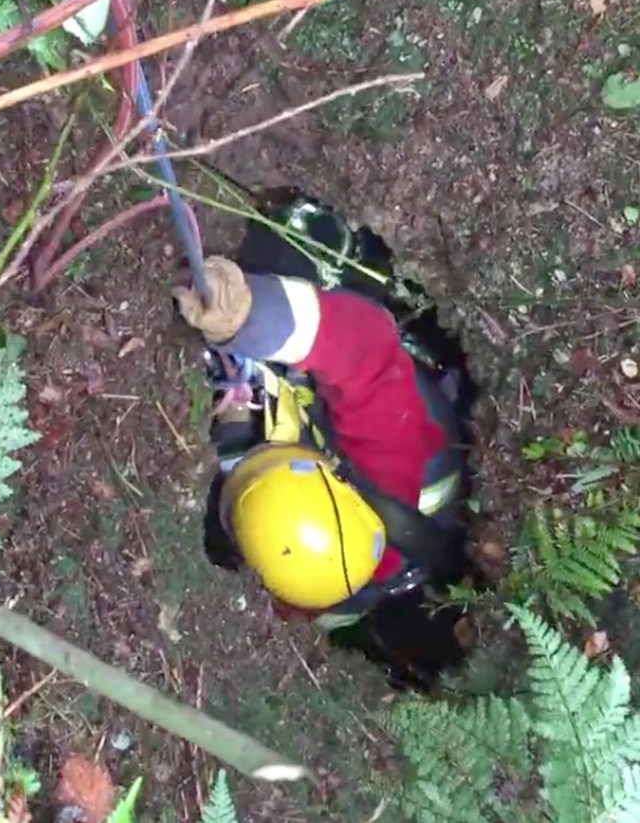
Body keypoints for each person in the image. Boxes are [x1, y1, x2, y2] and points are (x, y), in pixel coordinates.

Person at [173, 198, 477, 687]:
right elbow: (362, 347)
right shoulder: (396, 460)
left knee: (237, 430)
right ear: (331, 470)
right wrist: (250, 315)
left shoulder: (309, 579)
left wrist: (233, 433)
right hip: (380, 381)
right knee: (283, 257)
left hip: (326, 458)